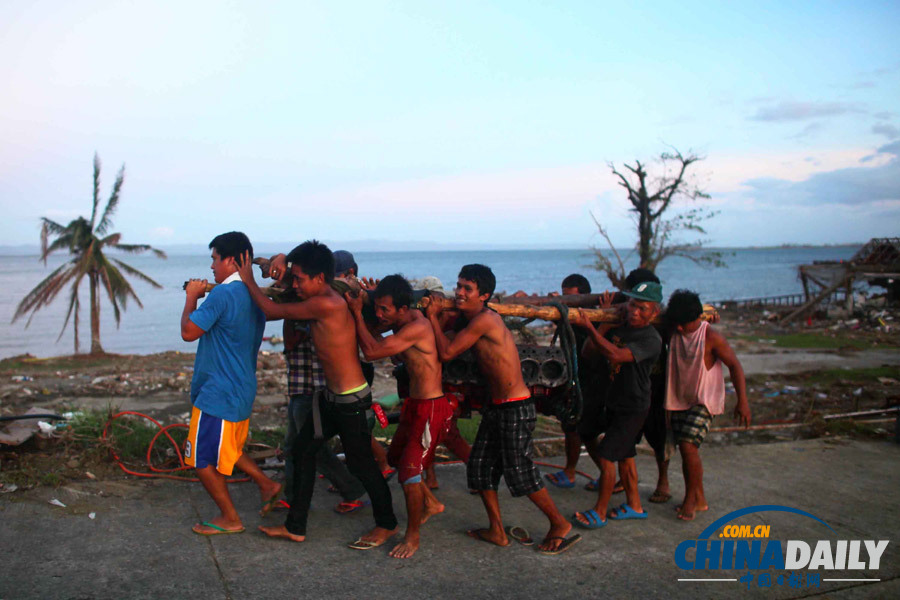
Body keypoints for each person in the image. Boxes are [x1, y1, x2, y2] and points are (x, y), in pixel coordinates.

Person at [237, 240, 398, 548]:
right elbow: (286, 289)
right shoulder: (323, 295)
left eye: (300, 279)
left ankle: (387, 524)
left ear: (320, 278)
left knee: (362, 465)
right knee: (302, 452)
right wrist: (279, 262)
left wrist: (247, 279)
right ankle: (295, 527)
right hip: (330, 397)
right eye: (294, 278)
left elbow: (271, 309)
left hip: (350, 399)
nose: (295, 284)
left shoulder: (326, 303)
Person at [425, 264, 580, 555]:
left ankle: (559, 523)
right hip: (497, 406)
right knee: (481, 468)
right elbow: (446, 338)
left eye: (467, 289)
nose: (459, 293)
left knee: (520, 472)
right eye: (458, 286)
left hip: (515, 406)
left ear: (484, 296)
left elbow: (446, 352)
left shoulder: (486, 320)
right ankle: (496, 530)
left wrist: (433, 316)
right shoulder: (470, 318)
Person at [180, 231, 281, 535]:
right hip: (240, 388)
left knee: (201, 459)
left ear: (233, 261)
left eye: (215, 259)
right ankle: (268, 484)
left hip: (219, 392)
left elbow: (188, 332)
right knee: (230, 449)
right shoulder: (254, 295)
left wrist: (191, 297)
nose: (212, 266)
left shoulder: (222, 294)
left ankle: (230, 518)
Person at [346, 275, 451, 559]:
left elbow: (371, 352)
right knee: (395, 459)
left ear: (403, 308)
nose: (380, 315)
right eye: (377, 308)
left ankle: (412, 537)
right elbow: (381, 340)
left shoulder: (417, 326)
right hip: (414, 403)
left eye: (385, 310)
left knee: (409, 474)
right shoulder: (403, 322)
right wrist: (369, 300)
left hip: (430, 407)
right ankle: (431, 504)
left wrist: (357, 313)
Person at [571, 280, 663, 529]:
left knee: (607, 456)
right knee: (625, 456)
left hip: (633, 406)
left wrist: (589, 327)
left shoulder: (651, 339)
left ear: (654, 312)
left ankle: (600, 512)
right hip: (615, 400)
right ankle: (635, 506)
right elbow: (588, 352)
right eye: (632, 305)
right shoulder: (620, 327)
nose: (635, 312)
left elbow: (616, 355)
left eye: (642, 308)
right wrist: (603, 324)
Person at [665, 289, 751, 521]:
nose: (679, 327)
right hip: (680, 398)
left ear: (696, 318)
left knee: (688, 446)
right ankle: (699, 498)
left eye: (683, 323)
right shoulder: (674, 329)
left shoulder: (711, 337)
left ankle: (690, 500)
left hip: (704, 400)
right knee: (686, 451)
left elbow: (735, 366)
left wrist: (742, 401)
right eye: (676, 323)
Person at [543, 273, 593, 490]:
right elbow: (560, 317)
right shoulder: (568, 316)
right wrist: (554, 303)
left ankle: (576, 472)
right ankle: (570, 471)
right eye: (565, 297)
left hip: (590, 381)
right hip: (573, 378)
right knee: (572, 427)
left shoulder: (593, 319)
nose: (568, 303)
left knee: (582, 430)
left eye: (571, 298)